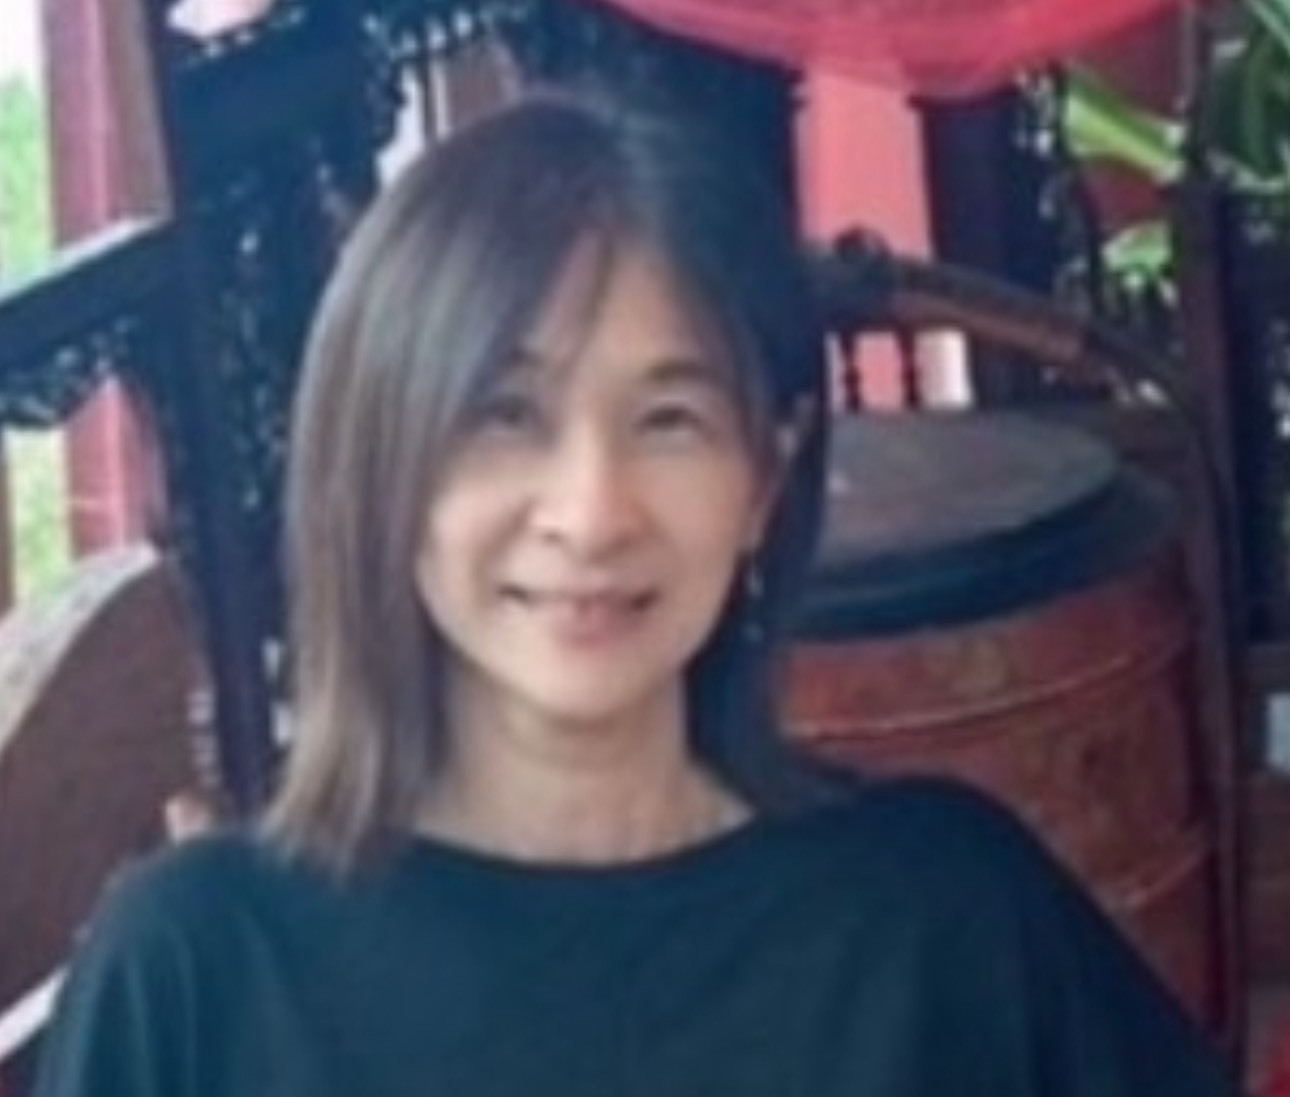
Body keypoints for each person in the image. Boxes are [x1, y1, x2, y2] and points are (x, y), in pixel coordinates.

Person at [34, 92, 1243, 1097]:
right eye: (505, 415)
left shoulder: (939, 913)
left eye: (669, 420)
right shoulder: (199, 971)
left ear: (766, 476)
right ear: (383, 464)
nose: (592, 511)